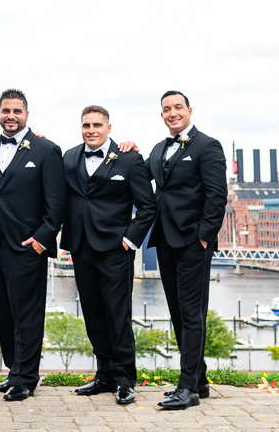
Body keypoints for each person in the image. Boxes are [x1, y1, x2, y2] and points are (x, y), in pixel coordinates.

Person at [60, 105, 157, 405]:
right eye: (86, 125)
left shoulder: (129, 159)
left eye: (97, 125)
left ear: (108, 128)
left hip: (116, 250)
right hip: (80, 247)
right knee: (93, 315)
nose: (91, 130)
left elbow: (148, 206)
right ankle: (104, 375)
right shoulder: (69, 156)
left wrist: (129, 240)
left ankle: (125, 379)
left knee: (118, 315)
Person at [0, 88, 65, 401]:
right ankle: (13, 371)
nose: (11, 116)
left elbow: (57, 202)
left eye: (16, 111)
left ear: (26, 114)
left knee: (28, 314)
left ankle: (26, 379)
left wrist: (43, 239)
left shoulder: (46, 150)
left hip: (27, 246)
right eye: (5, 111)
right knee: (3, 313)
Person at [147, 91, 227, 410]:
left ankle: (187, 388)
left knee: (192, 314)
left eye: (178, 107)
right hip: (164, 241)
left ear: (189, 110)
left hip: (194, 243)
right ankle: (200, 381)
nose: (172, 112)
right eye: (166, 109)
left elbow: (217, 196)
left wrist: (204, 238)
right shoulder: (158, 149)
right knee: (179, 313)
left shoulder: (207, 146)